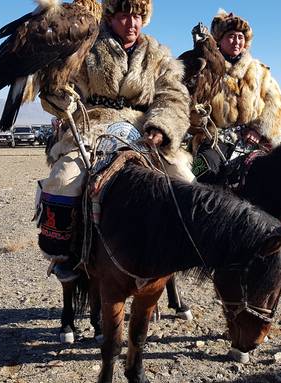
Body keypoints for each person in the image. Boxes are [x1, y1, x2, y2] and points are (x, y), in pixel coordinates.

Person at [37, 0, 192, 283]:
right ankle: (63, 254)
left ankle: (176, 252)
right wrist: (59, 100)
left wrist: (161, 127)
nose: (131, 23)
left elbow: (173, 96)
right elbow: (64, 84)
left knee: (184, 180)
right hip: (93, 125)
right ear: (110, 18)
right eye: (123, 16)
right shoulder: (87, 43)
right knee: (64, 178)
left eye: (137, 16)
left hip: (144, 130)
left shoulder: (159, 55)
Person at [191, 9, 281, 151]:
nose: (236, 41)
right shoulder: (206, 70)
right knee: (204, 169)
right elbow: (190, 104)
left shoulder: (259, 72)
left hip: (252, 141)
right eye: (231, 36)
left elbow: (276, 104)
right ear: (220, 40)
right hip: (214, 141)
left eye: (240, 37)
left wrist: (258, 131)